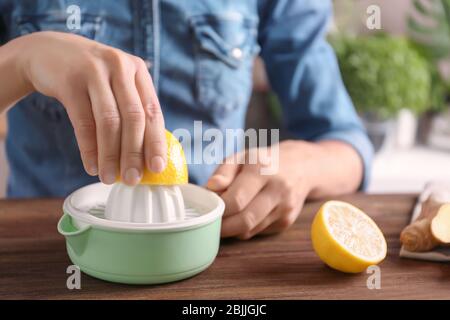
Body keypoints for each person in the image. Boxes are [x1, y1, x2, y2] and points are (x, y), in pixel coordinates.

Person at [0, 0, 373, 239]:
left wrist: (304, 165)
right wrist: (21, 61)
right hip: (42, 250)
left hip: (218, 253)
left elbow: (344, 142)